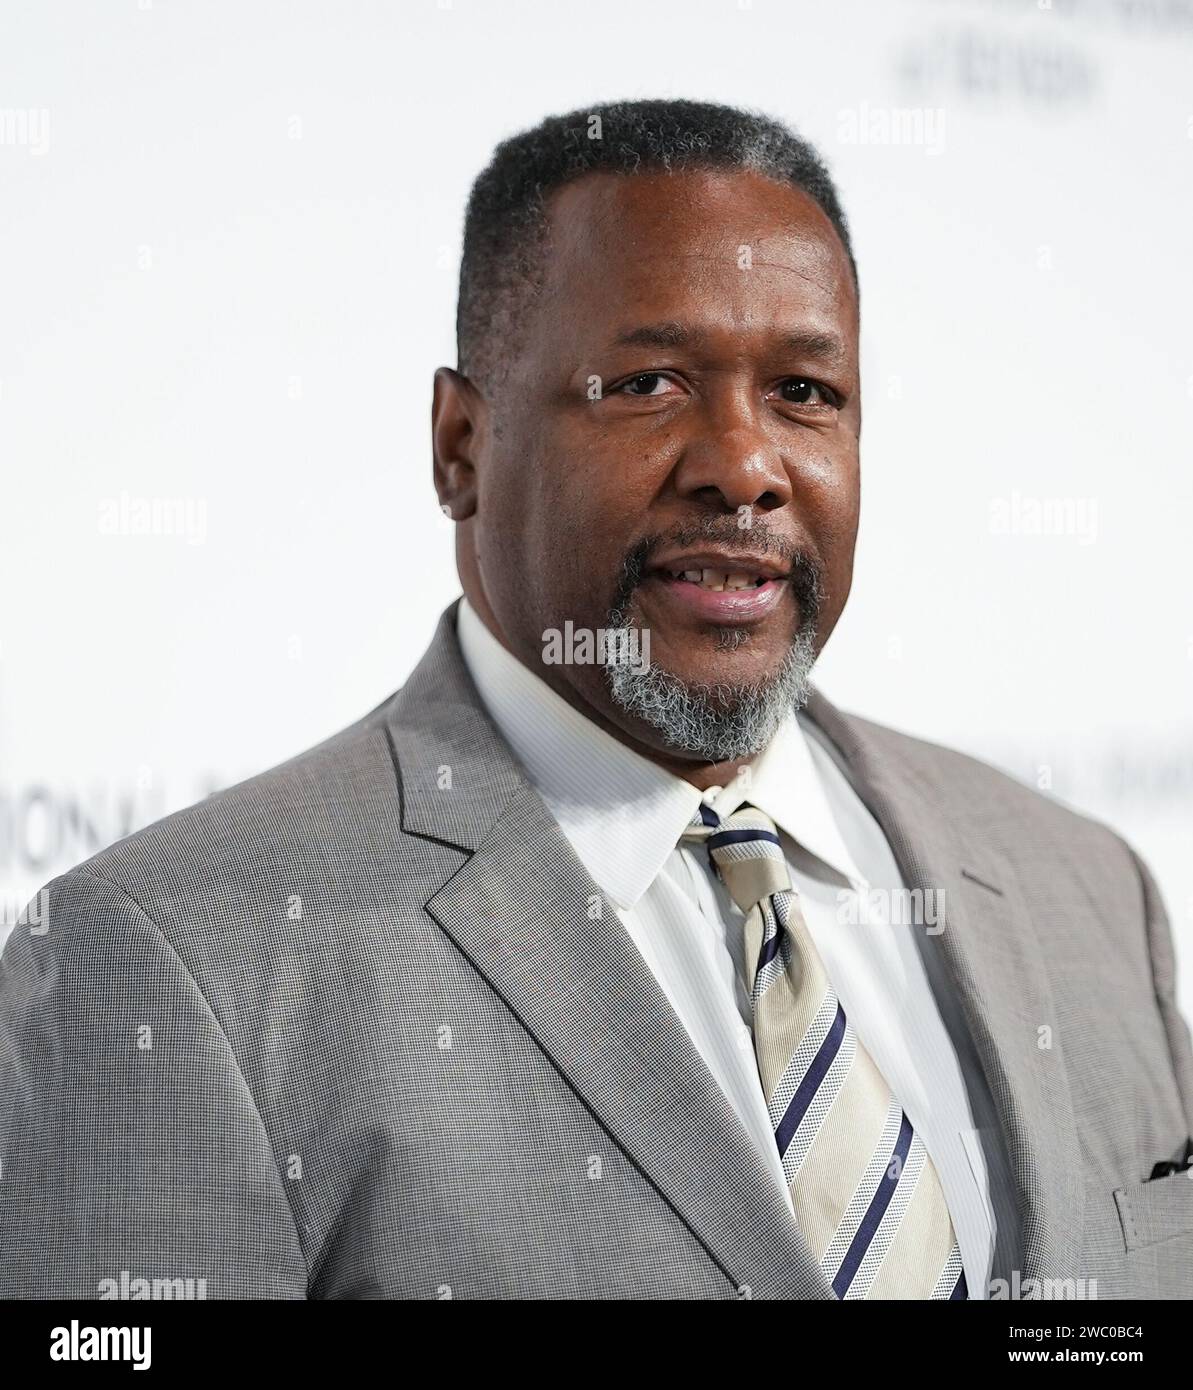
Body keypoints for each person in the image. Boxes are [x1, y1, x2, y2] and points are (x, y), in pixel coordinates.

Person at [3, 99, 1191, 1300]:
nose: (742, 466)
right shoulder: (177, 961)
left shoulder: (1087, 895)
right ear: (459, 445)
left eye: (803, 392)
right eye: (646, 383)